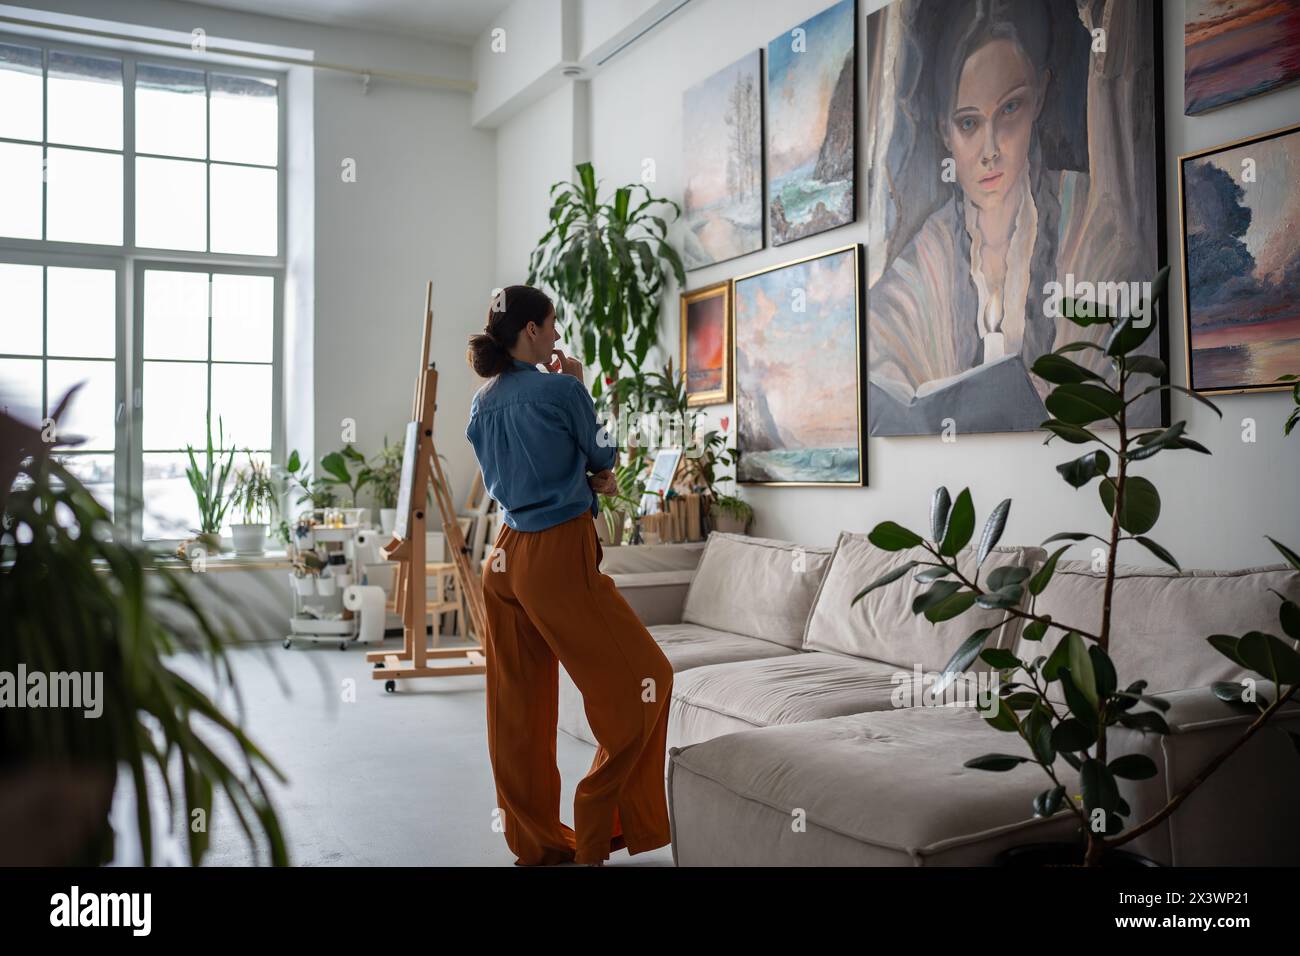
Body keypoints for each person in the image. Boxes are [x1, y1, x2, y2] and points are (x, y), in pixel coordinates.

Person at [868, 0, 1158, 434]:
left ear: (1039, 95)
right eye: (969, 124)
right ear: (945, 132)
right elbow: (880, 362)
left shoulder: (1090, 218)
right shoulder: (926, 256)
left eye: (1009, 110)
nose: (990, 150)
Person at [464, 284, 674, 867]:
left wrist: (585, 477)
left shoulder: (483, 403)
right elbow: (603, 456)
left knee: (518, 712)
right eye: (552, 325)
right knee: (646, 682)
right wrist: (580, 396)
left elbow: (516, 473)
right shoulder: (562, 390)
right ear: (531, 330)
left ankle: (536, 845)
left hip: (504, 559)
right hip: (557, 554)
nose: (557, 335)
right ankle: (593, 830)